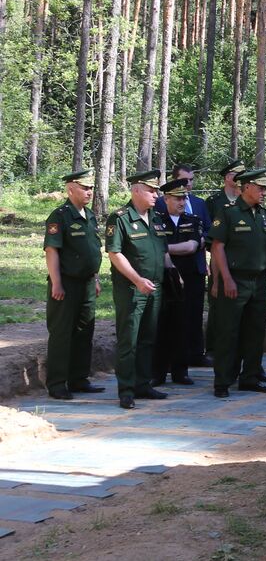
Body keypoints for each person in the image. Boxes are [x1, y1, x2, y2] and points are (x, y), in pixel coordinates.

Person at [207, 167, 266, 398]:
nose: (265, 192)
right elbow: (217, 247)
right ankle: (223, 380)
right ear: (247, 187)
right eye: (261, 188)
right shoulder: (228, 213)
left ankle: (249, 377)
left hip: (259, 281)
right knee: (228, 331)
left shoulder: (265, 215)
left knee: (255, 332)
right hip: (235, 279)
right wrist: (226, 279)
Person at [106, 170, 168, 409]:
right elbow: (115, 254)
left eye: (156, 191)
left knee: (147, 338)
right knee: (129, 340)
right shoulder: (120, 218)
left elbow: (161, 250)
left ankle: (143, 384)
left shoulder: (156, 217)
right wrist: (138, 280)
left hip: (155, 287)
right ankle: (127, 390)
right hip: (132, 289)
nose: (156, 195)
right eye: (151, 191)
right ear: (136, 191)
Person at [43, 169, 106, 401]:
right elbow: (52, 250)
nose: (89, 192)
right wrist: (57, 283)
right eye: (84, 187)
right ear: (71, 189)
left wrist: (96, 278)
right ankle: (57, 383)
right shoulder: (59, 216)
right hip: (66, 283)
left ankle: (79, 379)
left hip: (88, 282)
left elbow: (92, 251)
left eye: (91, 188)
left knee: (84, 331)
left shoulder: (89, 215)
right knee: (62, 334)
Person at [153, 179, 204, 387]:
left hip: (188, 279)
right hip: (163, 278)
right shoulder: (156, 220)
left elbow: (192, 247)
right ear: (166, 199)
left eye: (184, 198)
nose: (182, 202)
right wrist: (166, 248)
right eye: (177, 198)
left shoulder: (192, 220)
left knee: (184, 324)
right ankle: (158, 372)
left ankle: (180, 371)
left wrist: (164, 247)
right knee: (161, 325)